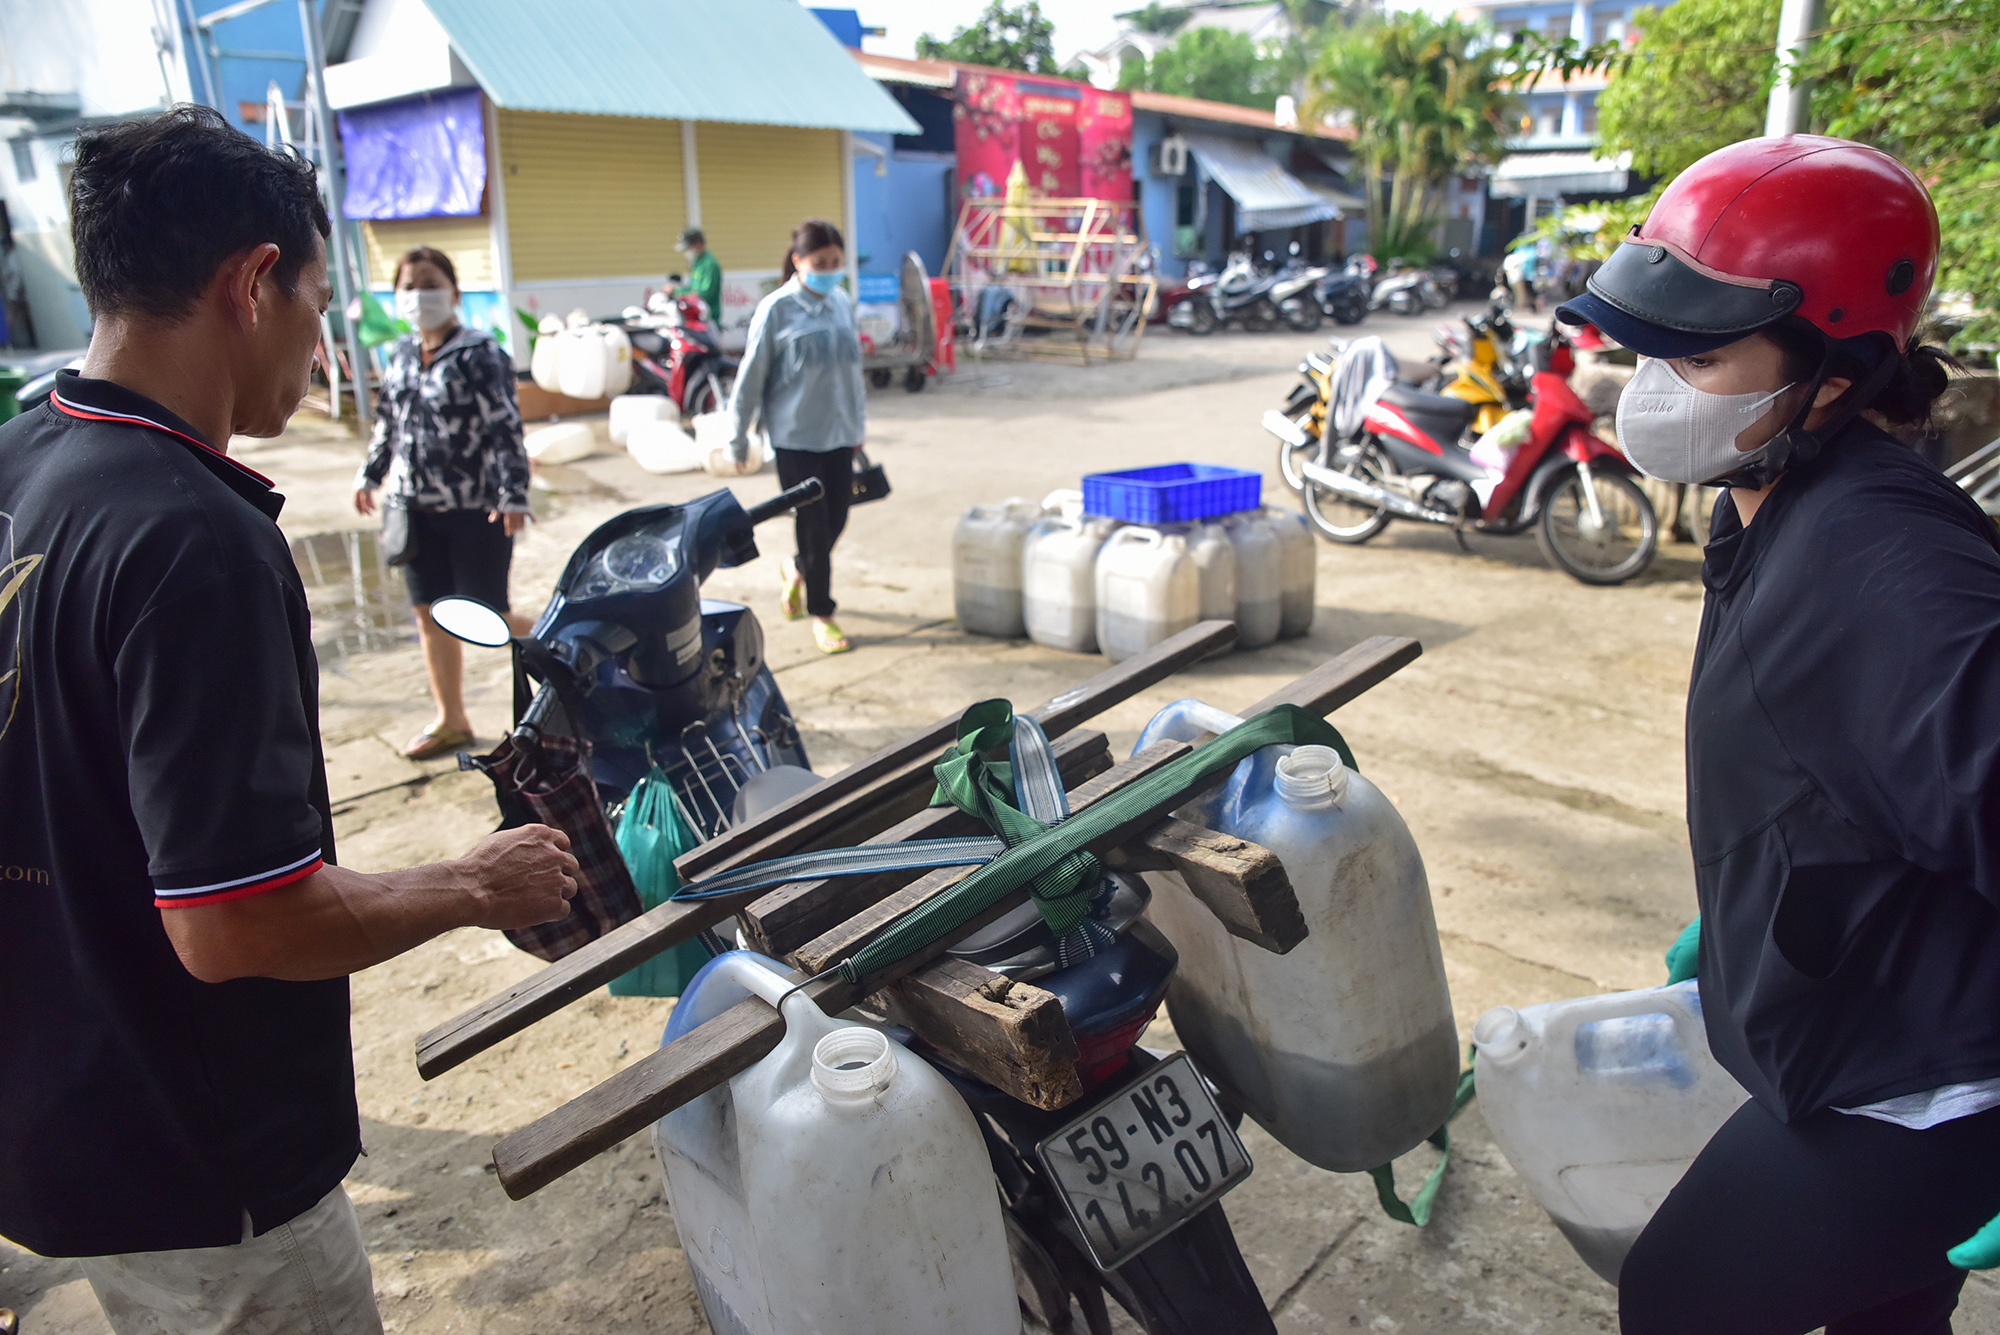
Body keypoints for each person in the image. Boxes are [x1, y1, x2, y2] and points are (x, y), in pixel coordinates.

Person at [0, 106, 578, 1334]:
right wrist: (474, 885)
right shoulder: (192, 541)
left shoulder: (22, 460)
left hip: (52, 1099)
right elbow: (235, 921)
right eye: (318, 302)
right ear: (252, 284)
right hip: (201, 1161)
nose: (322, 346)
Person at [1554, 135, 2000, 1333]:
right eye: (1648, 347)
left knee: (1676, 1297)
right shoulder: (1771, 493)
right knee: (1887, 1316)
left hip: (1918, 1082)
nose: (1648, 387)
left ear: (1837, 371)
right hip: (1860, 999)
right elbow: (1846, 761)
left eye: (1698, 357)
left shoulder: (1886, 571)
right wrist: (1766, 884)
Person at [352, 245, 532, 760]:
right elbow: (390, 421)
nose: (418, 295)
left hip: (477, 507)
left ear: (454, 292)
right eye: (408, 286)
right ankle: (452, 718)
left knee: (488, 615)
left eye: (429, 283)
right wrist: (371, 473)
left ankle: (555, 638)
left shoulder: (481, 352)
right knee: (429, 613)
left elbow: (505, 427)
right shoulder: (402, 354)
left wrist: (514, 490)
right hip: (411, 508)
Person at [726, 217, 867, 655]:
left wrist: (858, 427)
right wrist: (738, 436)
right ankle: (822, 613)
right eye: (820, 262)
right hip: (795, 438)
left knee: (837, 518)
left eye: (836, 261)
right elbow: (751, 377)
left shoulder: (842, 302)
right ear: (798, 262)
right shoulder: (776, 309)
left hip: (840, 433)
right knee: (813, 524)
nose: (829, 269)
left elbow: (853, 372)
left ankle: (796, 569)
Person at [675, 225, 722, 323]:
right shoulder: (698, 263)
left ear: (698, 243)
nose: (686, 252)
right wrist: (675, 292)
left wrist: (679, 294)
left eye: (688, 248)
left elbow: (704, 294)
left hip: (708, 320)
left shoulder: (709, 264)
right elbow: (692, 288)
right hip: (695, 319)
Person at [0, 231, 33, 349]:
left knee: (14, 314)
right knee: (15, 314)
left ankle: (9, 342)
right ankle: (10, 341)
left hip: (16, 291)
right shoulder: (11, 255)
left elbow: (16, 274)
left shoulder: (13, 256)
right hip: (15, 290)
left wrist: (17, 290)